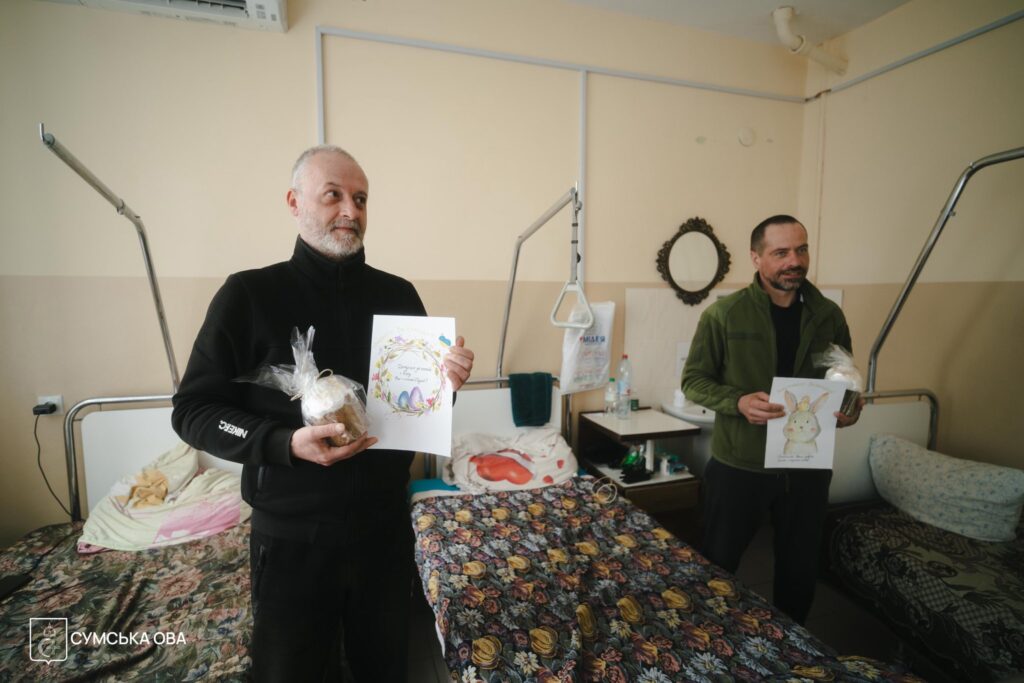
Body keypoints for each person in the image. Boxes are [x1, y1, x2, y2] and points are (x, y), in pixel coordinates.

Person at [171, 145, 475, 682]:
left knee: (385, 671)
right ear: (294, 202)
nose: (350, 211)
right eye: (333, 195)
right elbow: (194, 409)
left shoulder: (399, 295)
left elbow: (419, 409)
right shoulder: (249, 295)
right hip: (292, 539)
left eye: (361, 199)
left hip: (383, 532)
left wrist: (446, 386)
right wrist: (282, 443)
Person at [681, 214, 862, 625]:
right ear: (756, 257)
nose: (794, 261)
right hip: (740, 464)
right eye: (781, 252)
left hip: (807, 467)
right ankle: (707, 637)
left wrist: (848, 406)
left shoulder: (828, 315)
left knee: (800, 569)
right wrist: (738, 401)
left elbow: (843, 374)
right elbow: (693, 381)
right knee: (719, 563)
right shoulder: (725, 315)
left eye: (801, 250)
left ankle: (793, 646)